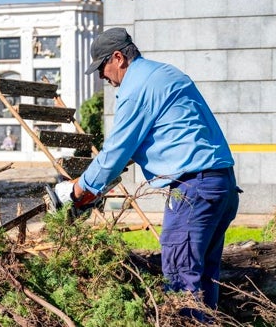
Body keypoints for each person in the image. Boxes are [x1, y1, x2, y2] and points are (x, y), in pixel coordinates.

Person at [54, 27, 241, 317]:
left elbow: (117, 150)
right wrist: (94, 183)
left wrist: (77, 192)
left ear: (118, 58)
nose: (103, 76)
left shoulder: (136, 88)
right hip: (221, 185)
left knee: (180, 280)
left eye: (102, 67)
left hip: (194, 191)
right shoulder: (164, 73)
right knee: (205, 277)